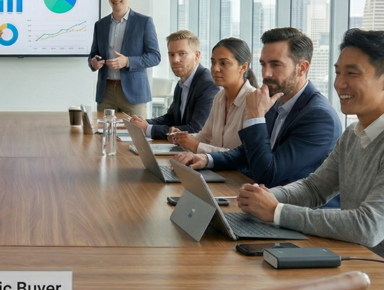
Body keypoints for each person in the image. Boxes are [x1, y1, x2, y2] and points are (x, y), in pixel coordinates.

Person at [238, 29, 384, 282]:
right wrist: (262, 198)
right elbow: (314, 189)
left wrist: (277, 211)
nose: (339, 83)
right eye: (338, 72)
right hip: (351, 259)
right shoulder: (355, 133)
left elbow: (368, 227)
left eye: (352, 73)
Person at [174, 27, 341, 188]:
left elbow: (268, 174)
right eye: (263, 64)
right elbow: (247, 152)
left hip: (290, 210)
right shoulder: (277, 100)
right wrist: (207, 159)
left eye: (275, 65)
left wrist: (255, 117)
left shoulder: (319, 116)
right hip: (260, 197)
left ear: (302, 68)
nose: (266, 73)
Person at [88, 0, 161, 118]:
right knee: (103, 137)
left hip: (134, 94)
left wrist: (127, 61)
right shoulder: (100, 25)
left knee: (136, 137)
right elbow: (93, 55)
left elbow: (155, 57)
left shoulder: (144, 22)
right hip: (106, 93)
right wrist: (94, 62)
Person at [170, 37, 258, 153]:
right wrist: (183, 138)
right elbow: (206, 136)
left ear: (243, 67)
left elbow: (243, 155)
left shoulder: (254, 101)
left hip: (234, 171)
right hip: (215, 168)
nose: (215, 69)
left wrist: (196, 146)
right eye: (213, 62)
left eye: (224, 63)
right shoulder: (219, 97)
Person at [128, 30, 216, 139]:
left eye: (182, 54)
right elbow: (171, 119)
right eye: (171, 54)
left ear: (197, 55)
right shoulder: (181, 83)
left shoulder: (208, 84)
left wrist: (147, 129)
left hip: (199, 153)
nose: (175, 60)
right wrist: (142, 123)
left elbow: (197, 129)